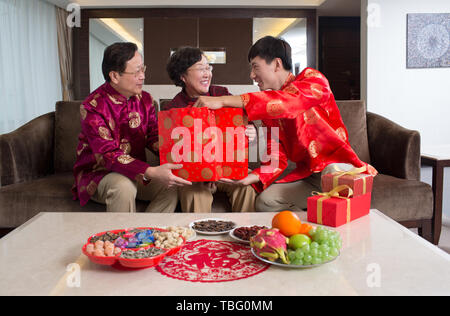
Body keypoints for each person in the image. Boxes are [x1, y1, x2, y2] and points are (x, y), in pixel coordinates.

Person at [193, 36, 377, 212]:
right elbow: (276, 158)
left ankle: (333, 219)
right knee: (266, 202)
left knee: (331, 172)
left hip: (339, 169)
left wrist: (223, 101)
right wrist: (249, 177)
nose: (252, 75)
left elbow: (288, 102)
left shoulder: (313, 80)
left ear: (277, 64)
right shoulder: (269, 113)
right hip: (311, 177)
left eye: (255, 67)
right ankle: (307, 227)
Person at [72, 42, 192, 213]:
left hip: (136, 171)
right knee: (123, 186)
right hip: (100, 174)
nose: (142, 76)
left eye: (143, 69)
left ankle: (150, 233)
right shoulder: (93, 107)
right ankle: (124, 237)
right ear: (114, 76)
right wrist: (150, 171)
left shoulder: (146, 99)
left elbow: (153, 136)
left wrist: (181, 151)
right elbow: (108, 154)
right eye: (136, 72)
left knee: (172, 185)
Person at [165, 46, 257, 213]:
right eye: (201, 69)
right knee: (195, 194)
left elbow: (240, 128)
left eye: (208, 67)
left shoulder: (221, 93)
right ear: (182, 76)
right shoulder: (174, 108)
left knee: (247, 188)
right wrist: (206, 173)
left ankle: (243, 235)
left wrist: (250, 132)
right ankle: (200, 239)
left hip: (227, 168)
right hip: (195, 176)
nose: (207, 73)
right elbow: (178, 156)